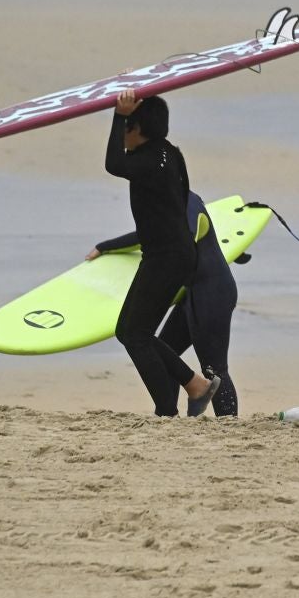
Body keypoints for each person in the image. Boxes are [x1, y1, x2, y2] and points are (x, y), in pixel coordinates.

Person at [102, 89, 220, 417]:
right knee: (129, 331)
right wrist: (132, 87)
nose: (123, 134)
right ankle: (195, 385)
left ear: (137, 129)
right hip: (170, 253)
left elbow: (113, 164)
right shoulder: (169, 152)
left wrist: (119, 115)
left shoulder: (148, 160)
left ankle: (166, 411)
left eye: (127, 127)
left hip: (167, 257)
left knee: (135, 335)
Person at [89, 191, 239, 416]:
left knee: (214, 367)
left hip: (212, 292)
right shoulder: (170, 199)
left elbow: (187, 234)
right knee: (165, 349)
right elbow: (152, 235)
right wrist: (106, 246)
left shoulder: (187, 202)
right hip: (192, 293)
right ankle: (166, 415)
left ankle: (229, 427)